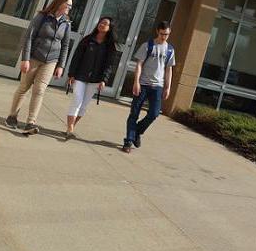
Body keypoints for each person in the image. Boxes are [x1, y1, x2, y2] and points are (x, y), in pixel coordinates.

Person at [5, 0, 72, 134]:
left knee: (39, 90)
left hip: (51, 61)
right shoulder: (42, 17)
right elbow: (29, 37)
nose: (69, 8)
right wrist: (25, 59)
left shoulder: (66, 23)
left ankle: (31, 122)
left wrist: (61, 65)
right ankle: (12, 116)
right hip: (34, 57)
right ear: (60, 2)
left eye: (71, 6)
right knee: (24, 87)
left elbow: (65, 45)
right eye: (68, 4)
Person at [123, 21, 175, 152]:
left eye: (167, 34)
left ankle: (137, 132)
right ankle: (128, 141)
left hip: (157, 86)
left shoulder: (170, 50)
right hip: (143, 84)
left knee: (154, 113)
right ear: (158, 31)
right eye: (162, 34)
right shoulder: (147, 45)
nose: (164, 37)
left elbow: (169, 70)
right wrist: (136, 82)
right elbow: (139, 64)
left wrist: (167, 87)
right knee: (134, 113)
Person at [65, 16, 118, 140]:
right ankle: (70, 128)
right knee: (77, 100)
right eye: (101, 22)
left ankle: (71, 126)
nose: (102, 24)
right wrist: (71, 74)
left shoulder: (110, 46)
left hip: (96, 80)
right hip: (80, 76)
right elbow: (76, 58)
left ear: (110, 28)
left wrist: (104, 80)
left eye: (105, 23)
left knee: (84, 105)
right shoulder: (87, 40)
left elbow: (109, 65)